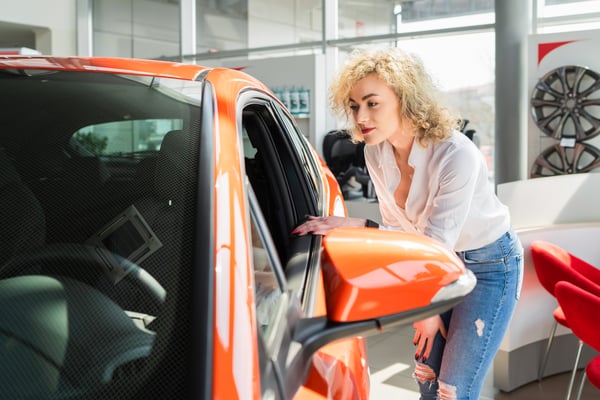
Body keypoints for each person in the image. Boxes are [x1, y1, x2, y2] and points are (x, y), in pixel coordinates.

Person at [292, 47, 523, 400]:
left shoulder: (455, 154)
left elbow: (435, 243)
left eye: (372, 103)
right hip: (434, 262)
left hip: (489, 266)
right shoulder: (375, 151)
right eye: (354, 106)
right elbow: (402, 235)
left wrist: (426, 311)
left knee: (452, 390)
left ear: (404, 99)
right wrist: (355, 225)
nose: (360, 116)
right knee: (426, 379)